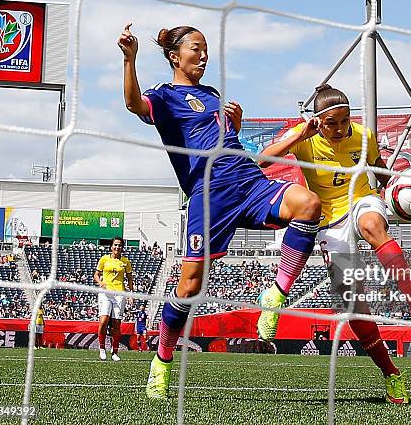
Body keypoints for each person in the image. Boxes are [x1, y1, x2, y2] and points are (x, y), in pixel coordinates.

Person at [119, 23, 321, 399]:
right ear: (174, 56)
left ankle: (274, 297)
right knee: (190, 286)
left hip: (248, 182)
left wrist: (290, 136)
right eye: (196, 48)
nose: (204, 55)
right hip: (208, 196)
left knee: (308, 204)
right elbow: (133, 104)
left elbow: (245, 156)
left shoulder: (213, 97)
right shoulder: (163, 97)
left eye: (206, 49)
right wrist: (130, 60)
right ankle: (162, 362)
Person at [259, 84, 411, 404]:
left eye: (345, 120)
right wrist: (298, 135)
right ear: (318, 121)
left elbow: (379, 170)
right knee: (355, 305)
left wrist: (401, 191)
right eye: (332, 123)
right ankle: (391, 375)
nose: (341, 128)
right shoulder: (305, 141)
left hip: (362, 202)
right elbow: (261, 162)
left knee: (373, 225)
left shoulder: (363, 135)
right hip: (329, 224)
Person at [94, 236, 134, 362]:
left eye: (120, 245)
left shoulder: (126, 262)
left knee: (116, 324)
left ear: (122, 248)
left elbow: (130, 278)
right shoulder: (104, 259)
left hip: (119, 294)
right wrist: (100, 283)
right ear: (111, 246)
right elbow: (96, 274)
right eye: (115, 245)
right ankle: (102, 349)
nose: (117, 247)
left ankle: (115, 351)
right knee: (103, 321)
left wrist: (131, 294)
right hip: (105, 293)